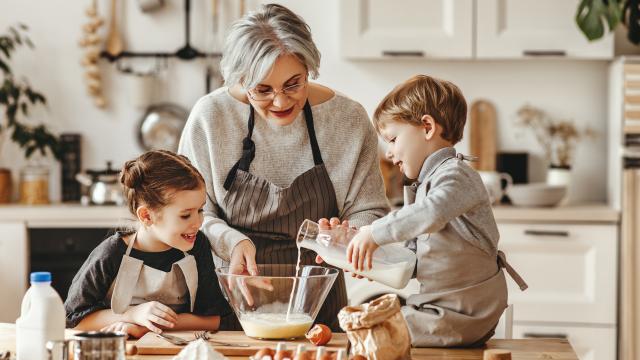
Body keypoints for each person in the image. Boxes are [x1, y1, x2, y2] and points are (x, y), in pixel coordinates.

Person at [178, 3, 388, 331]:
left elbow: (370, 209)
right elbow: (192, 214)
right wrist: (233, 242)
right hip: (232, 296)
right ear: (240, 80)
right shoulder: (211, 117)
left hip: (320, 303)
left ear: (309, 68)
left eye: (293, 84)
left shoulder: (348, 119)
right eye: (262, 90)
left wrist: (349, 235)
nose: (280, 101)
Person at [346, 75, 528, 347]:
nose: (390, 153)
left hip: (465, 311)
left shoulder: (456, 175)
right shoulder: (423, 185)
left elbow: (431, 212)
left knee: (373, 332)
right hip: (439, 307)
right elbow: (413, 259)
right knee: (369, 325)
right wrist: (372, 260)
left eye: (393, 139)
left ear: (427, 126)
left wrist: (375, 232)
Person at [64, 150, 231, 338]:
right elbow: (74, 320)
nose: (198, 222)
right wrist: (133, 315)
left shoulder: (197, 245)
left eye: (200, 210)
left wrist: (146, 327)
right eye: (185, 215)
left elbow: (216, 319)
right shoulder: (110, 254)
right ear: (146, 216)